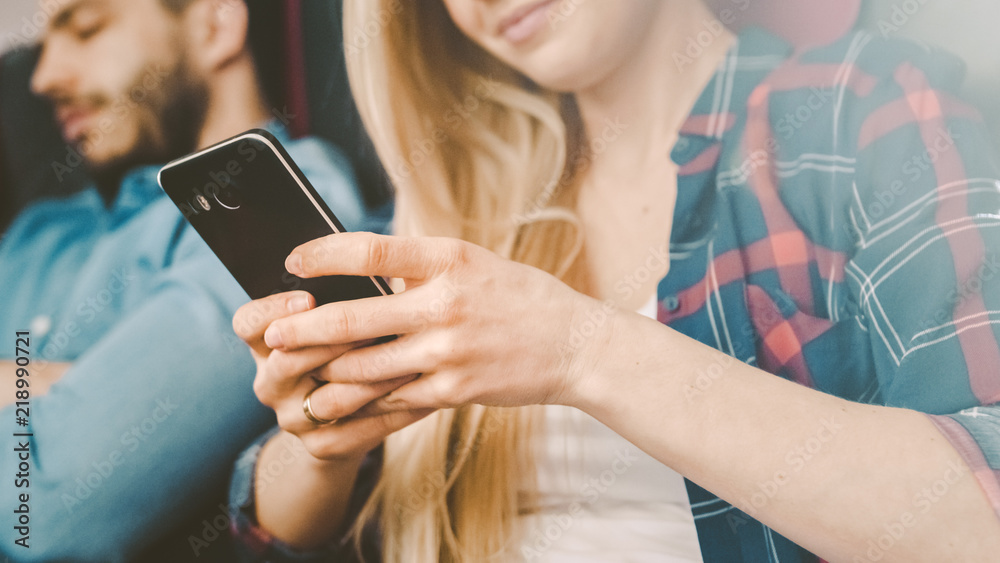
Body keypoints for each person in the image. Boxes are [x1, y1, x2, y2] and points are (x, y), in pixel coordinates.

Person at [230, 0, 1000, 561]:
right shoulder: (468, 202)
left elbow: (981, 514)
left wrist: (582, 350)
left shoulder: (859, 114)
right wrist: (321, 446)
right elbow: (273, 524)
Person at [0, 0, 381, 560]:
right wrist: (80, 392)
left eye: (87, 28)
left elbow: (42, 510)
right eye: (41, 46)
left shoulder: (279, 209)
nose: (43, 78)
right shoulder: (38, 232)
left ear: (215, 23)